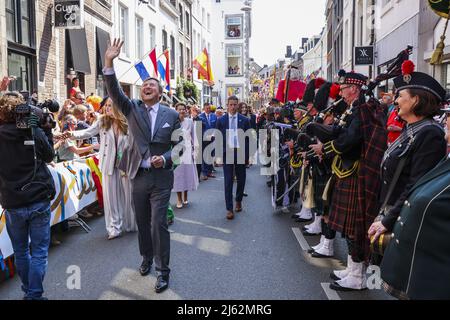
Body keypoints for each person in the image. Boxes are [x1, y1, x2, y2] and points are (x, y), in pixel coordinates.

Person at [103, 38, 182, 294]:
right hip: (138, 176)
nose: (147, 86)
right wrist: (109, 61)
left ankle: (163, 271)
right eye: (144, 84)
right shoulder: (132, 108)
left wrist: (166, 158)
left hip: (161, 179)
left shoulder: (172, 115)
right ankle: (146, 257)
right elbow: (114, 90)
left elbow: (181, 148)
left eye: (152, 84)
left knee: (159, 223)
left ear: (159, 93)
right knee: (142, 221)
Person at [366, 65, 448, 299]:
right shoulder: (411, 129)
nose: (395, 99)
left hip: (405, 217)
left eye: (401, 95)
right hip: (392, 210)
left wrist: (388, 219)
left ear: (415, 100)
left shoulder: (429, 133)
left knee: (406, 284)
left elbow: (417, 185)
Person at [310, 71, 387, 291]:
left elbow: (351, 139)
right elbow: (342, 131)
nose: (341, 93)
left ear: (354, 88)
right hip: (348, 170)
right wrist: (322, 130)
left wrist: (324, 147)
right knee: (351, 226)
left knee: (356, 226)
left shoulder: (363, 109)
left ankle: (358, 275)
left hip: (357, 172)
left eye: (343, 89)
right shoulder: (355, 108)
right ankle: (353, 269)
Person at [0, 92, 56, 300]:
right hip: (37, 197)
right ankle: (34, 294)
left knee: (21, 251)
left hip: (12, 201)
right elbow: (50, 155)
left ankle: (30, 292)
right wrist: (45, 129)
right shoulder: (32, 130)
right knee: (39, 251)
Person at [64, 97, 137, 239]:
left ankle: (130, 223)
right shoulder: (102, 121)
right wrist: (71, 134)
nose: (107, 108)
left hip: (125, 164)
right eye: (106, 105)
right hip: (108, 163)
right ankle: (114, 228)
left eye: (111, 105)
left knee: (128, 195)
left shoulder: (128, 121)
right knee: (111, 197)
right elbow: (87, 132)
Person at [216, 96, 251, 220]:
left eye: (235, 104)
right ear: (227, 105)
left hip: (240, 153)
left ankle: (238, 200)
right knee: (228, 181)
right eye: (230, 104)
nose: (232, 107)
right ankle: (229, 209)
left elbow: (249, 139)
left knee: (241, 179)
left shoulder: (245, 120)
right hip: (227, 153)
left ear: (238, 105)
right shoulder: (221, 120)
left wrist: (248, 156)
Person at [172, 102, 199, 209]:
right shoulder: (173, 122)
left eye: (183, 109)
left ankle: (185, 195)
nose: (182, 111)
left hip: (188, 151)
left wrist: (195, 151)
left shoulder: (190, 121)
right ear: (176, 110)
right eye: (179, 109)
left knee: (187, 174)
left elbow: (194, 137)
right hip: (177, 151)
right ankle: (179, 199)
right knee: (178, 175)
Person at [199, 102, 217, 180]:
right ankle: (204, 173)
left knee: (210, 155)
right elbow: (200, 128)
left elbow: (216, 126)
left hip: (213, 138)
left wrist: (214, 134)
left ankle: (209, 172)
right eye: (207, 108)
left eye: (209, 108)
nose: (208, 109)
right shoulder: (200, 117)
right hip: (204, 139)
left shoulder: (214, 116)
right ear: (204, 108)